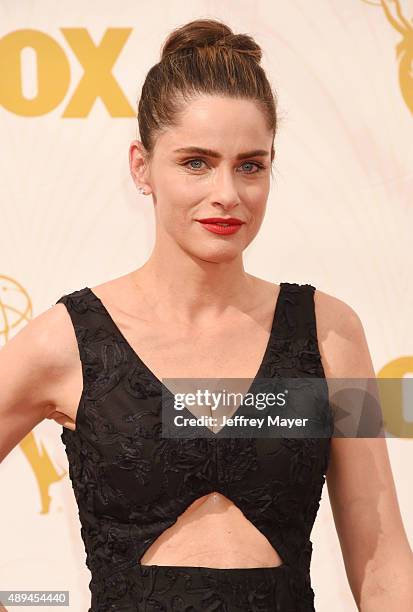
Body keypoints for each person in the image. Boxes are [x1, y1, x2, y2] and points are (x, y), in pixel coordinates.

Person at [1, 17, 412, 612]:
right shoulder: (68, 340)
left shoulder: (332, 332)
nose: (227, 193)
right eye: (196, 162)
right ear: (142, 167)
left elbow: (382, 559)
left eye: (251, 165)